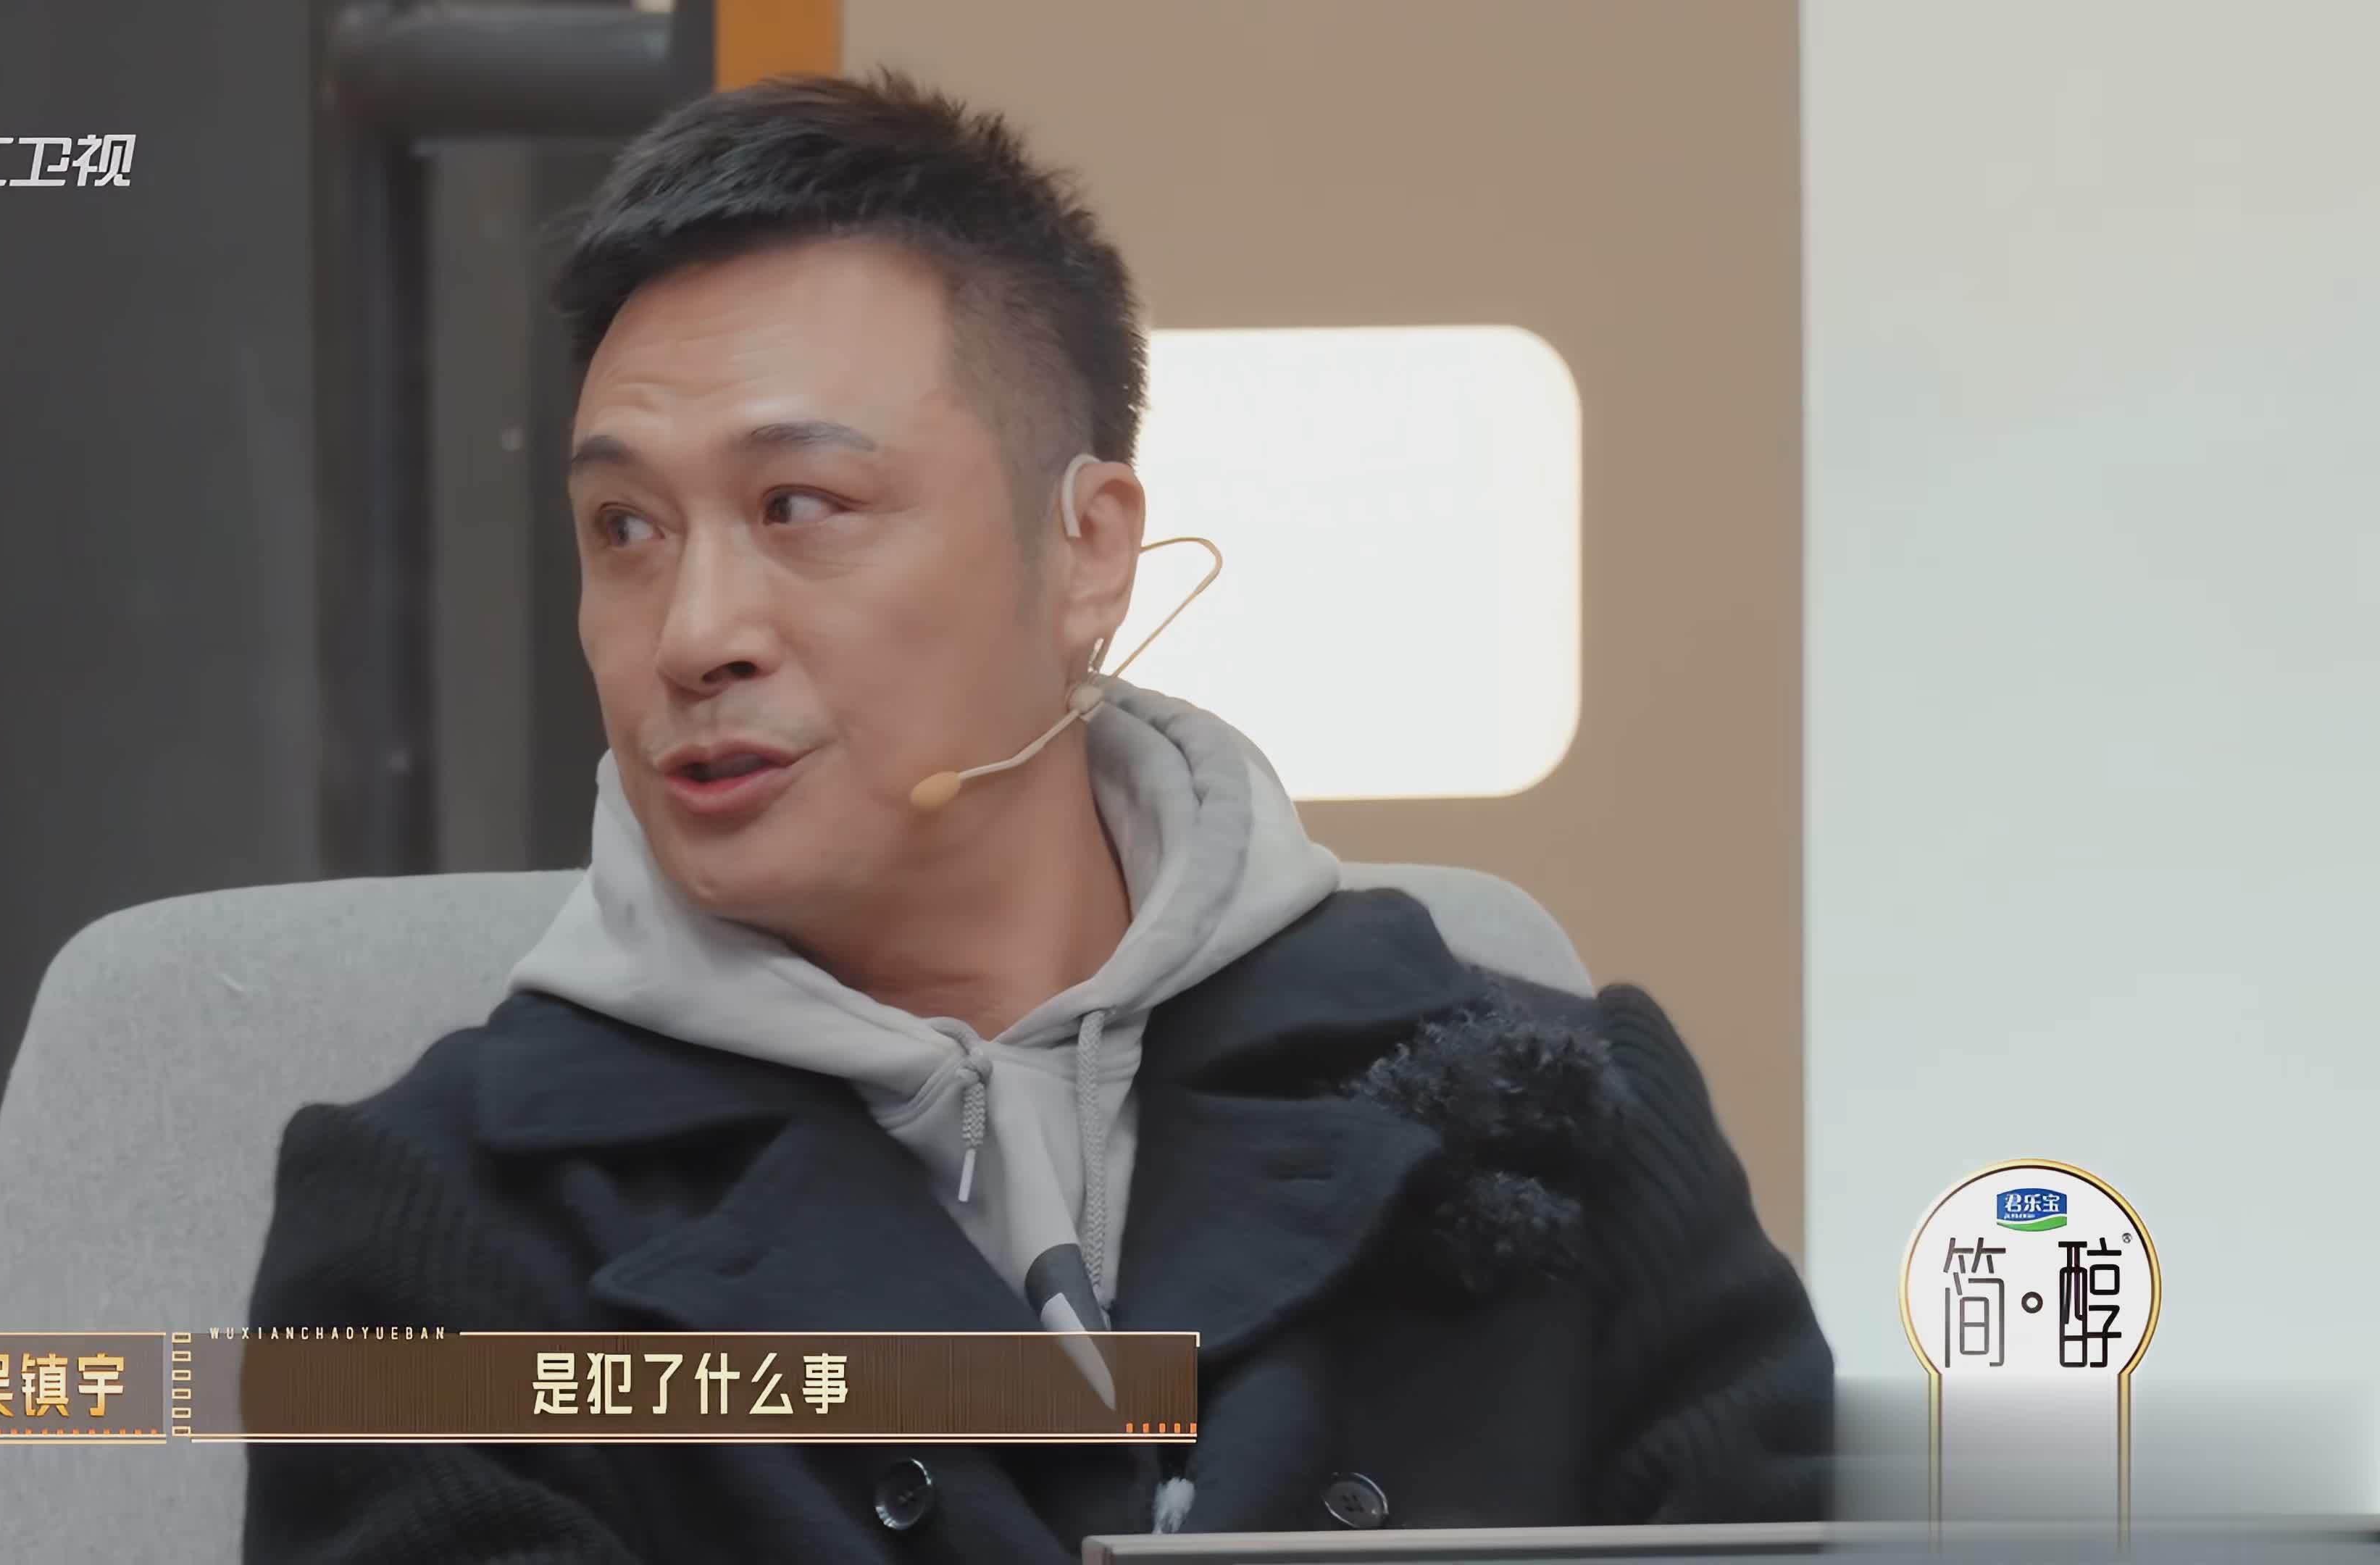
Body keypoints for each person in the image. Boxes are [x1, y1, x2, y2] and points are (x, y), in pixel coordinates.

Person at [244, 70, 1832, 1563]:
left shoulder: (1568, 1117)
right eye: (625, 529)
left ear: (1088, 551)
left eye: (799, 506)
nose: (693, 633)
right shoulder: (433, 1225)